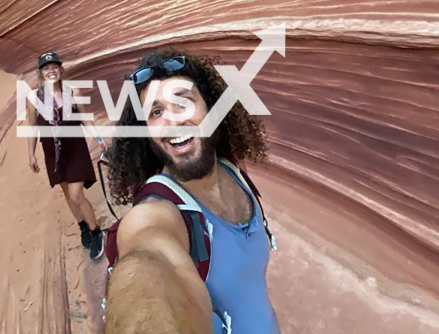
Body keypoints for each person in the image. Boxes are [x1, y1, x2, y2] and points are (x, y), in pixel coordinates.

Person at [104, 51, 279, 334]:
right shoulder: (156, 213)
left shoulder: (232, 169)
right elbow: (147, 260)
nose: (173, 121)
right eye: (156, 111)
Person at [26, 52, 108, 260]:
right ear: (41, 73)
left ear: (61, 70)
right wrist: (31, 154)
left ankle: (95, 231)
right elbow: (33, 126)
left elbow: (85, 119)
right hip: (53, 154)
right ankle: (83, 226)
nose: (51, 71)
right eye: (46, 68)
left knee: (75, 194)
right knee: (66, 192)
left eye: (54, 67)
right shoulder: (34, 98)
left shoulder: (73, 92)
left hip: (76, 150)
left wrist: (98, 137)